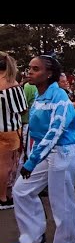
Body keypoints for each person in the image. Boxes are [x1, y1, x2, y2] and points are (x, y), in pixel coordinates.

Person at [9, 55, 75, 243]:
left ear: (49, 74)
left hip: (65, 151)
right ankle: (32, 237)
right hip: (45, 151)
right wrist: (30, 157)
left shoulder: (59, 98)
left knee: (61, 199)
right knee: (21, 191)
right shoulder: (40, 97)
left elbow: (54, 132)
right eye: (29, 68)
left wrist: (31, 161)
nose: (29, 72)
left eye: (35, 69)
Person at [0, 52, 28, 210]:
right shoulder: (12, 84)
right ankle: (2, 197)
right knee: (5, 166)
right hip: (8, 129)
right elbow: (22, 109)